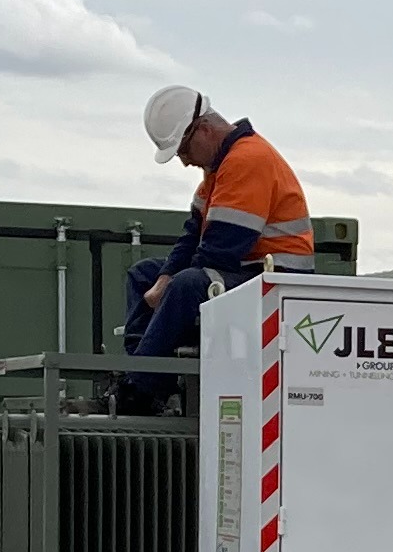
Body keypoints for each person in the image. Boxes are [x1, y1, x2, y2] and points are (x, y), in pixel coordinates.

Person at [123, 86, 313, 379]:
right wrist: (163, 279)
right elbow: (192, 236)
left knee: (186, 284)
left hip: (276, 281)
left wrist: (172, 284)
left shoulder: (247, 160)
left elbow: (222, 249)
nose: (185, 161)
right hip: (248, 272)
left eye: (184, 150)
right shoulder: (220, 167)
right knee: (144, 274)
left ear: (204, 130)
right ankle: (137, 368)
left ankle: (140, 388)